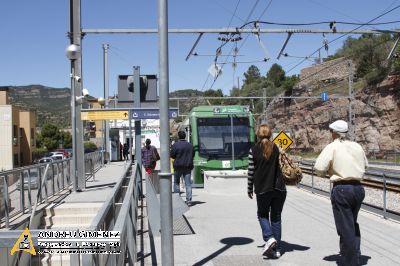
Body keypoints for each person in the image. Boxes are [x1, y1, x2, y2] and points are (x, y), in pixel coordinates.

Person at [314, 120, 368, 266]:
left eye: (331, 131)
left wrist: (325, 174)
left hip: (342, 189)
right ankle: (354, 254)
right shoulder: (357, 146)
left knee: (345, 227)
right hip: (358, 188)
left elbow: (319, 167)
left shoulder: (333, 147)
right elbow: (366, 165)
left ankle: (350, 262)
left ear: (334, 133)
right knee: (352, 224)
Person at [248, 124, 286, 258]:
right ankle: (276, 249)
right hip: (279, 188)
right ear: (270, 134)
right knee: (276, 217)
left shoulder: (253, 150)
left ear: (258, 135)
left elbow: (251, 172)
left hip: (263, 189)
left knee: (262, 215)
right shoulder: (276, 147)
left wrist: (249, 189)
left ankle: (269, 238)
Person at [170, 131, 194, 205]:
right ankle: (189, 200)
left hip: (178, 166)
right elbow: (192, 155)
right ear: (185, 136)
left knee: (176, 183)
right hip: (187, 166)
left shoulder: (175, 145)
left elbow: (172, 155)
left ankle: (177, 199)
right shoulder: (190, 145)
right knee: (188, 184)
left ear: (178, 136)